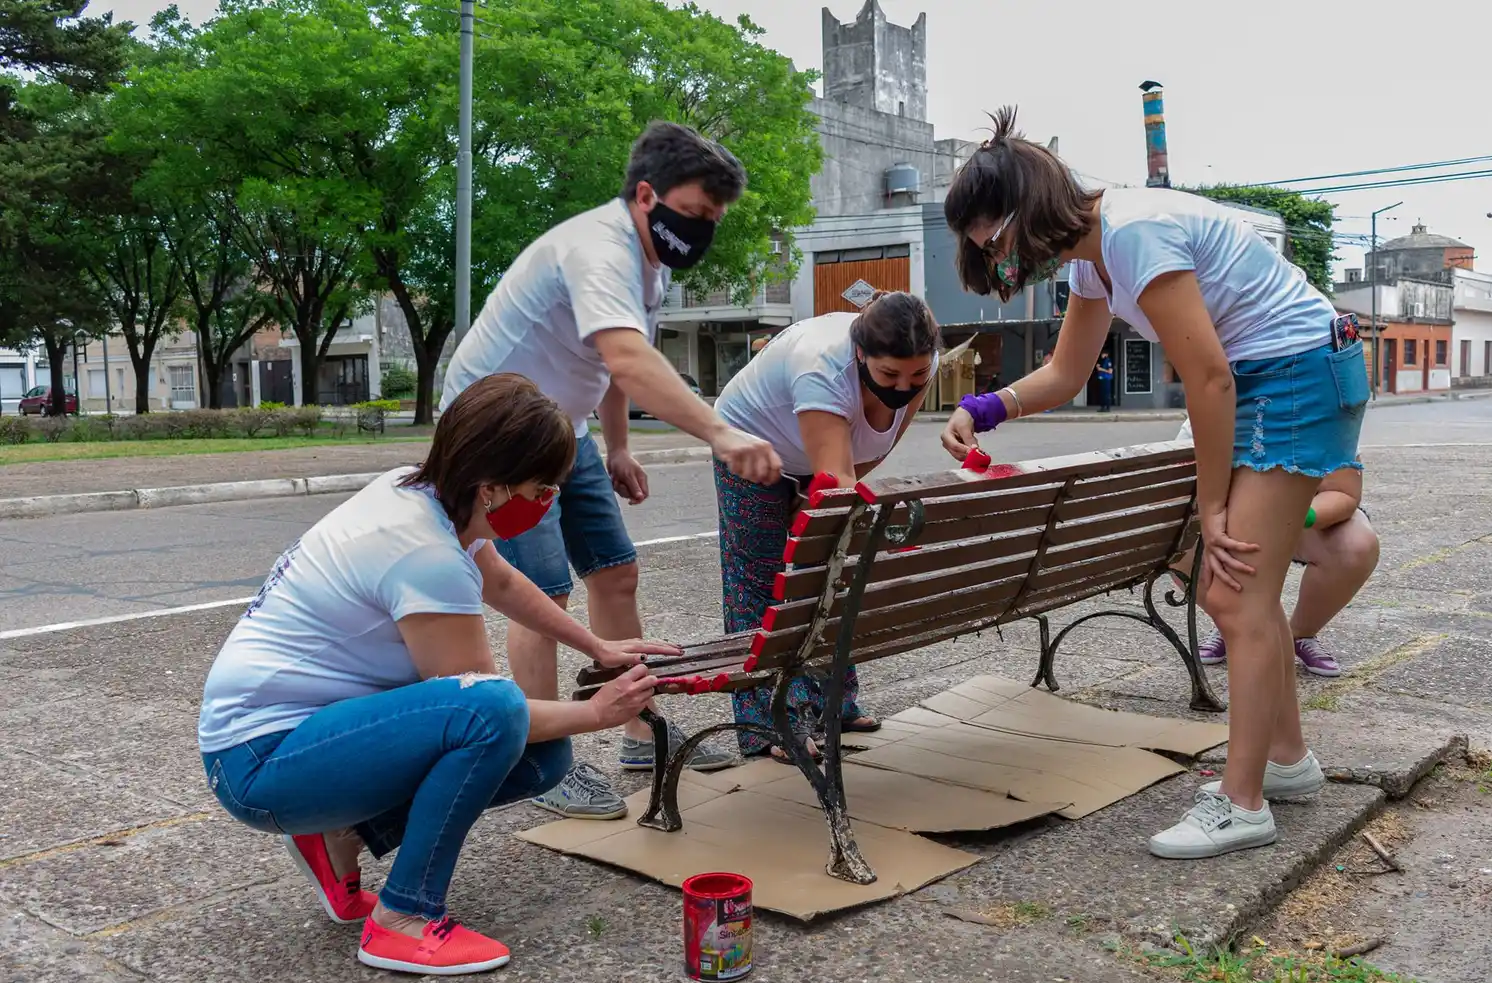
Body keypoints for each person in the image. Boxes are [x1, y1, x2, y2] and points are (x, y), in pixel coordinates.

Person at [939, 108, 1368, 860]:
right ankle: (1286, 760)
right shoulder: (1092, 257)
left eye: (996, 241)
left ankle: (1243, 804)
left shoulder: (1134, 231)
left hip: (1294, 374)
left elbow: (1208, 377)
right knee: (1239, 592)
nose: (1001, 260)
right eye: (986, 250)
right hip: (1273, 374)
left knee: (1235, 591)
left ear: (1026, 209)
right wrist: (985, 408)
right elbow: (1067, 372)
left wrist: (1212, 507)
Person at [197, 374, 679, 975]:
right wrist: (598, 712)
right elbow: (488, 708)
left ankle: (340, 836)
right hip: (259, 762)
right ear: (491, 488)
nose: (549, 501)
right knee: (495, 713)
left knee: (545, 759)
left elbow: (501, 580)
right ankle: (403, 916)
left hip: (289, 739)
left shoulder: (423, 492)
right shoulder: (426, 555)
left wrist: (596, 644)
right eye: (541, 489)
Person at [439, 121, 783, 820]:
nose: (701, 231)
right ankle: (540, 762)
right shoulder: (598, 248)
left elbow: (613, 363)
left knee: (616, 571)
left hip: (562, 427)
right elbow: (627, 357)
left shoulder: (647, 264)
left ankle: (638, 732)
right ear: (646, 195)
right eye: (694, 213)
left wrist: (620, 447)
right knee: (541, 594)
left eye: (712, 220)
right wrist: (720, 433)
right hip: (496, 433)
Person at [713, 292, 939, 761]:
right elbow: (838, 488)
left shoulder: (922, 362)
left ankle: (833, 702)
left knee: (827, 573)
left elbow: (874, 448)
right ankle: (769, 724)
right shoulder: (822, 369)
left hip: (814, 452)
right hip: (749, 440)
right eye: (889, 376)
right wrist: (817, 504)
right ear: (860, 354)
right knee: (761, 580)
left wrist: (816, 501)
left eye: (916, 376)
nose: (905, 386)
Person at [1177, 419, 1380, 677]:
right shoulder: (1211, 413)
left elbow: (1343, 492)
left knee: (1356, 544)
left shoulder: (1322, 411)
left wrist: (1292, 518)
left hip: (1300, 518)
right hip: (1228, 522)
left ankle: (1299, 633)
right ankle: (1235, 622)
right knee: (1179, 545)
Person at [1095, 347, 1114, 412]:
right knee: (1102, 393)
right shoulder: (1101, 360)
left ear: (1106, 354)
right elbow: (1098, 367)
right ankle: (1102, 407)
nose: (1102, 355)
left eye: (1103, 354)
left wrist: (1102, 369)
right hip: (1101, 378)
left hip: (1106, 378)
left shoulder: (1108, 361)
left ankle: (1107, 407)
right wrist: (1100, 368)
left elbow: (1110, 371)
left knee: (1106, 393)